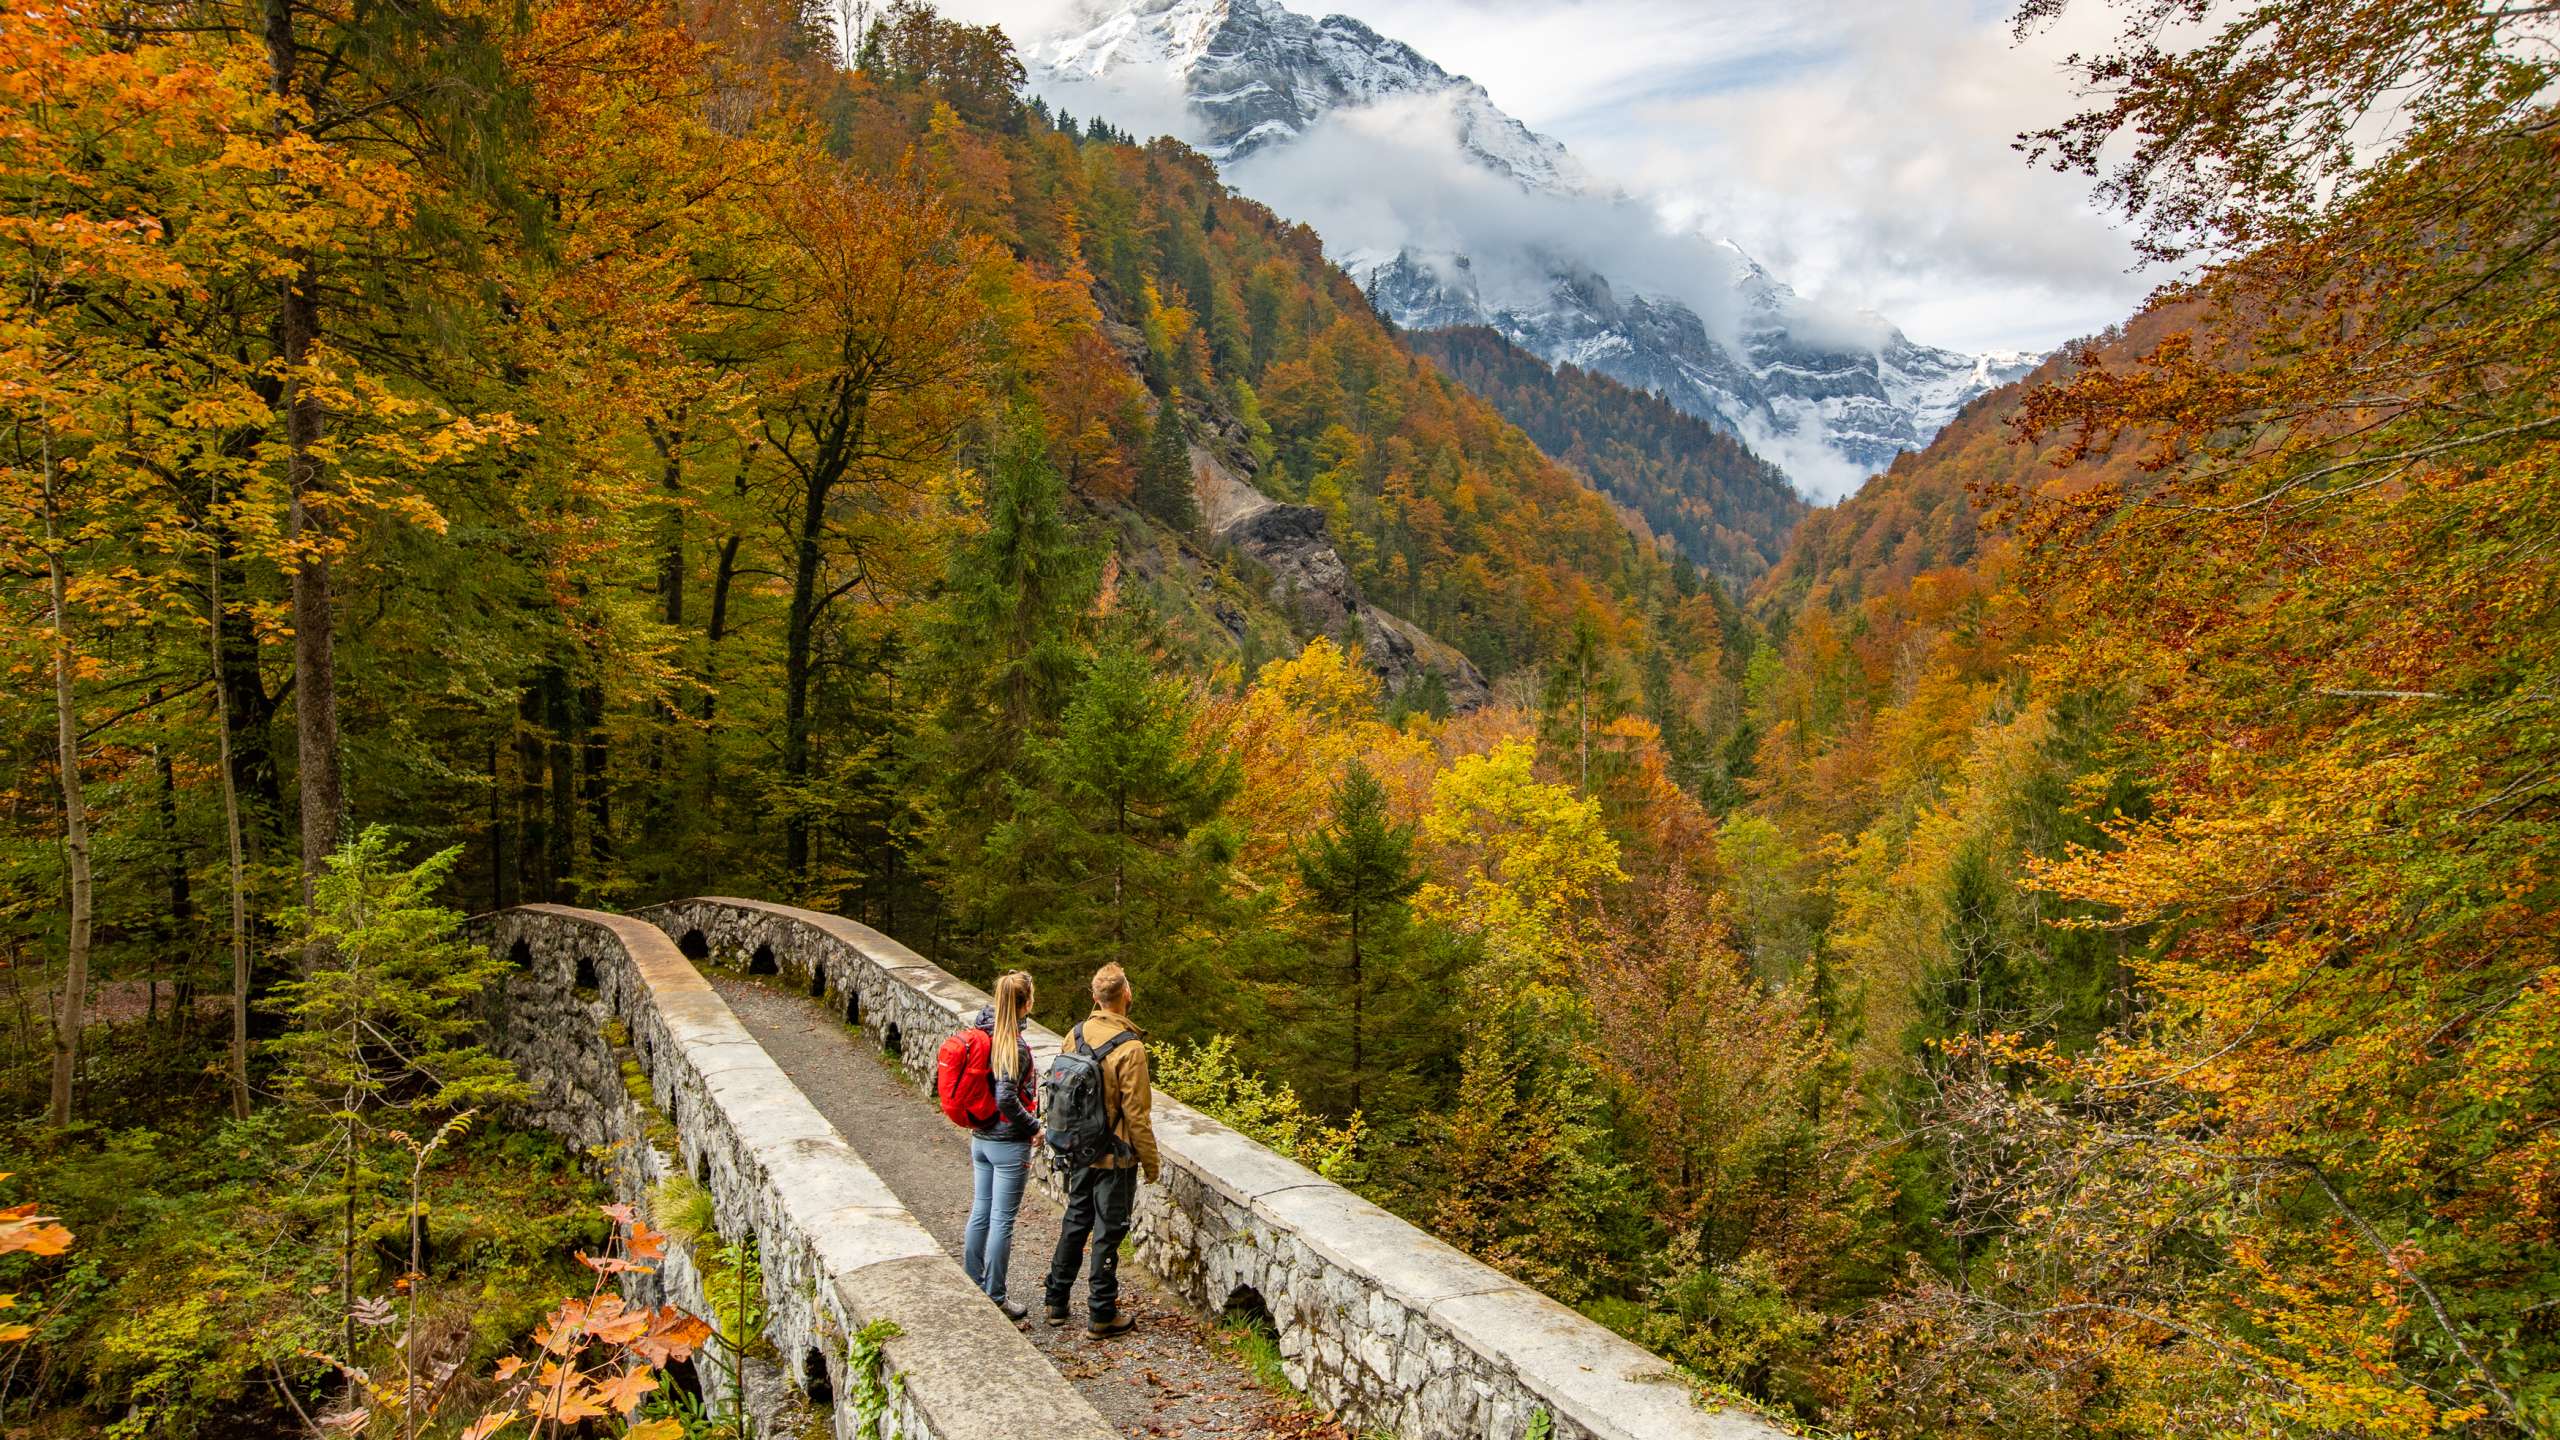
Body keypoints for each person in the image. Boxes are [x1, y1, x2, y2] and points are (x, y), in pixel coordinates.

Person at [1042, 961, 1159, 1337]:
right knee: (1109, 1231)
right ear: (1127, 995)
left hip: (1078, 1148)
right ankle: (1102, 1313)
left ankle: (1056, 1300)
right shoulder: (1131, 1048)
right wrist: (1151, 1163)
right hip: (1115, 1154)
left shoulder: (1074, 1034)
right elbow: (1137, 1114)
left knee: (1076, 1220)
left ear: (1095, 998)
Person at [961, 971, 1041, 1322]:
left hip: (980, 1137)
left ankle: (972, 1285)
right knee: (1001, 1221)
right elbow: (1006, 1096)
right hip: (1007, 1143)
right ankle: (994, 1296)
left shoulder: (983, 1031)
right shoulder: (1014, 1045)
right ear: (1026, 1003)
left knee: (981, 1212)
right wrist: (1034, 1126)